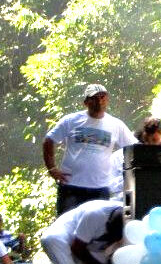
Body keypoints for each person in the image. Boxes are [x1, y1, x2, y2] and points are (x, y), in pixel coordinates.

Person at [43, 83, 138, 215]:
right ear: (86, 102)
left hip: (100, 188)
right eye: (94, 98)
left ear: (107, 100)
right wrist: (52, 168)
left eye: (102, 97)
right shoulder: (71, 120)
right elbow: (49, 140)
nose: (99, 101)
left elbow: (135, 148)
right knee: (67, 227)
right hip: (71, 186)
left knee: (97, 230)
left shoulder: (116, 125)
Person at [38, 199, 125, 264]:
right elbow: (77, 248)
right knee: (51, 239)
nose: (112, 239)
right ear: (107, 224)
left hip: (94, 248)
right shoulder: (94, 214)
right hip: (69, 237)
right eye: (111, 235)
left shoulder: (131, 214)